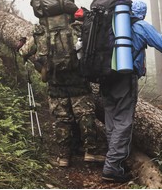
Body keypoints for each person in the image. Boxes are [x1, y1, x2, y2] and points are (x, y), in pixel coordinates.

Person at [100, 0, 162, 183]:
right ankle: (111, 167)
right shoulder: (141, 25)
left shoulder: (110, 25)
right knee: (123, 122)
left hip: (105, 76)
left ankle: (115, 160)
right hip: (125, 78)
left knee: (111, 118)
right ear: (142, 13)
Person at [18, 19, 104, 167]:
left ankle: (64, 157)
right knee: (85, 116)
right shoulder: (76, 28)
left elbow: (24, 52)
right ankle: (91, 152)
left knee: (62, 120)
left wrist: (21, 45)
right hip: (79, 83)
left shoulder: (41, 32)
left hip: (56, 85)